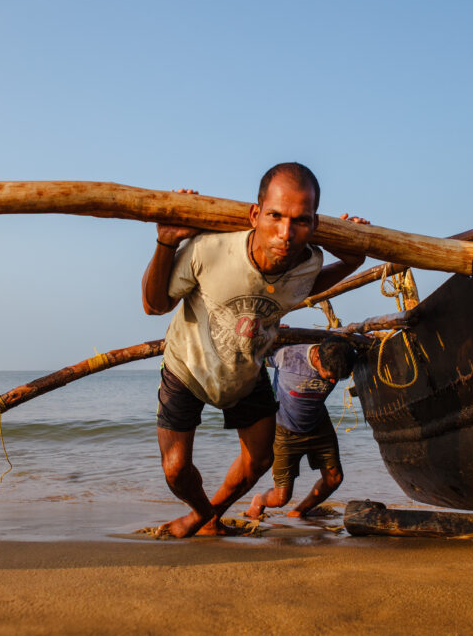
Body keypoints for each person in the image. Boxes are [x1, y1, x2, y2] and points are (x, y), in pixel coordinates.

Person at [141, 162, 368, 538]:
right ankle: (200, 513)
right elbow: (153, 305)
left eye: (300, 221)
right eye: (275, 216)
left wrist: (353, 258)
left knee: (260, 460)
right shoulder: (209, 249)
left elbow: (307, 288)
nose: (285, 233)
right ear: (255, 214)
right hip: (189, 367)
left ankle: (208, 516)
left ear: (313, 225)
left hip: (245, 372)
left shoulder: (308, 263)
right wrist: (166, 241)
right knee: (176, 469)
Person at [245, 337, 357, 519]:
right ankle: (259, 500)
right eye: (329, 375)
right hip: (284, 430)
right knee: (281, 498)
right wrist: (268, 335)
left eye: (338, 378)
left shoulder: (343, 359)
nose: (333, 380)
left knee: (334, 479)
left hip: (319, 425)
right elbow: (253, 356)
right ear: (318, 358)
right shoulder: (286, 356)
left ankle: (298, 511)